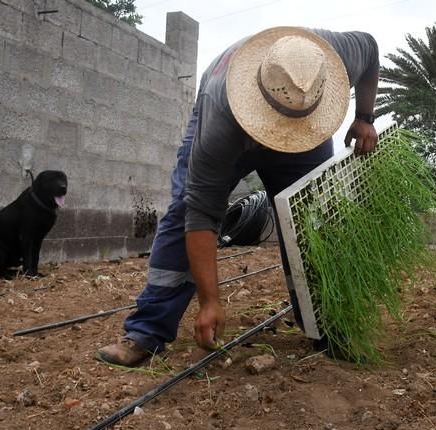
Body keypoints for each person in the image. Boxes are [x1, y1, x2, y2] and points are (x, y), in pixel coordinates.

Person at [96, 26, 380, 366]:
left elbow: (372, 51)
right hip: (232, 122)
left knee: (313, 220)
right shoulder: (220, 121)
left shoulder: (338, 55)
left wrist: (364, 117)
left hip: (308, 126)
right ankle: (146, 331)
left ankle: (327, 322)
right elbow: (201, 213)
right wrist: (210, 300)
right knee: (183, 210)